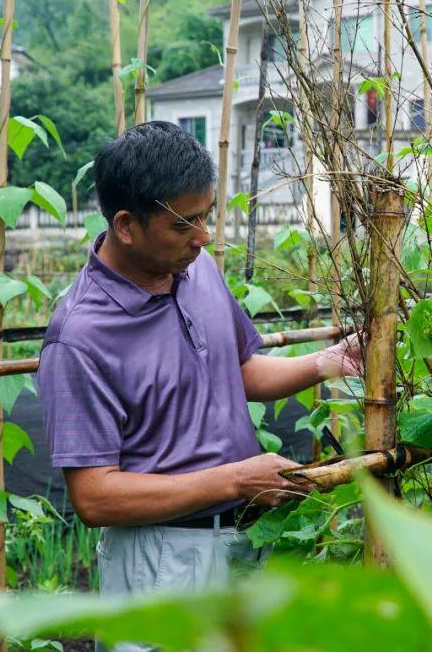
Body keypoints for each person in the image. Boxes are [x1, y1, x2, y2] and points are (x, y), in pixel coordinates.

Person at [38, 121, 362, 649]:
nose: (204, 236)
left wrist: (328, 361)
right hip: (161, 564)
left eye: (207, 216)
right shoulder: (80, 336)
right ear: (126, 225)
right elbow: (95, 497)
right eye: (185, 224)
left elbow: (236, 372)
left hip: (243, 545)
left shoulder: (199, 269)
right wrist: (235, 481)